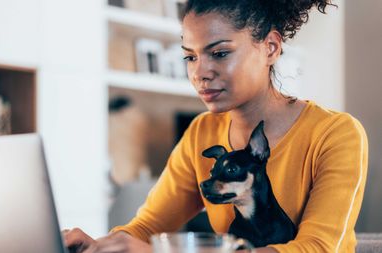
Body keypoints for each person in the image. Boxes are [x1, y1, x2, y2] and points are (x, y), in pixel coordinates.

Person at [64, 0, 368, 252]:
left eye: (219, 53)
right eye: (190, 56)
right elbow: (147, 228)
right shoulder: (201, 132)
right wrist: (101, 245)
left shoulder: (336, 134)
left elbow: (317, 248)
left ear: (271, 47)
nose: (200, 73)